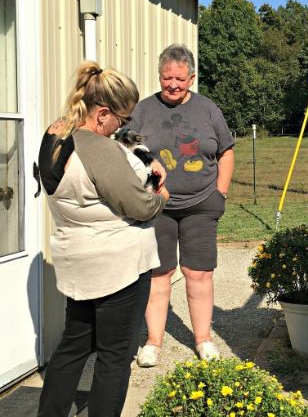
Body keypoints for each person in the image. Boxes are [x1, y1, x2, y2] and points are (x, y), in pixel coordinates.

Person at [37, 61, 169, 417]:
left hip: (77, 262)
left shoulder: (56, 133)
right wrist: (160, 194)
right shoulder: (99, 149)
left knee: (73, 348)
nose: (122, 128)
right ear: (102, 113)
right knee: (115, 356)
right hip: (117, 266)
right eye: (121, 120)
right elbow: (140, 206)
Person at [129, 44, 235, 366]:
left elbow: (226, 151)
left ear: (191, 77)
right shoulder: (144, 110)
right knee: (159, 274)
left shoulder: (207, 109)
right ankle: (153, 343)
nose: (172, 85)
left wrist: (221, 194)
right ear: (159, 76)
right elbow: (128, 145)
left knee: (199, 273)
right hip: (158, 206)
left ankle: (203, 339)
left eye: (179, 78)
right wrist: (148, 164)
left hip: (202, 203)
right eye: (166, 78)